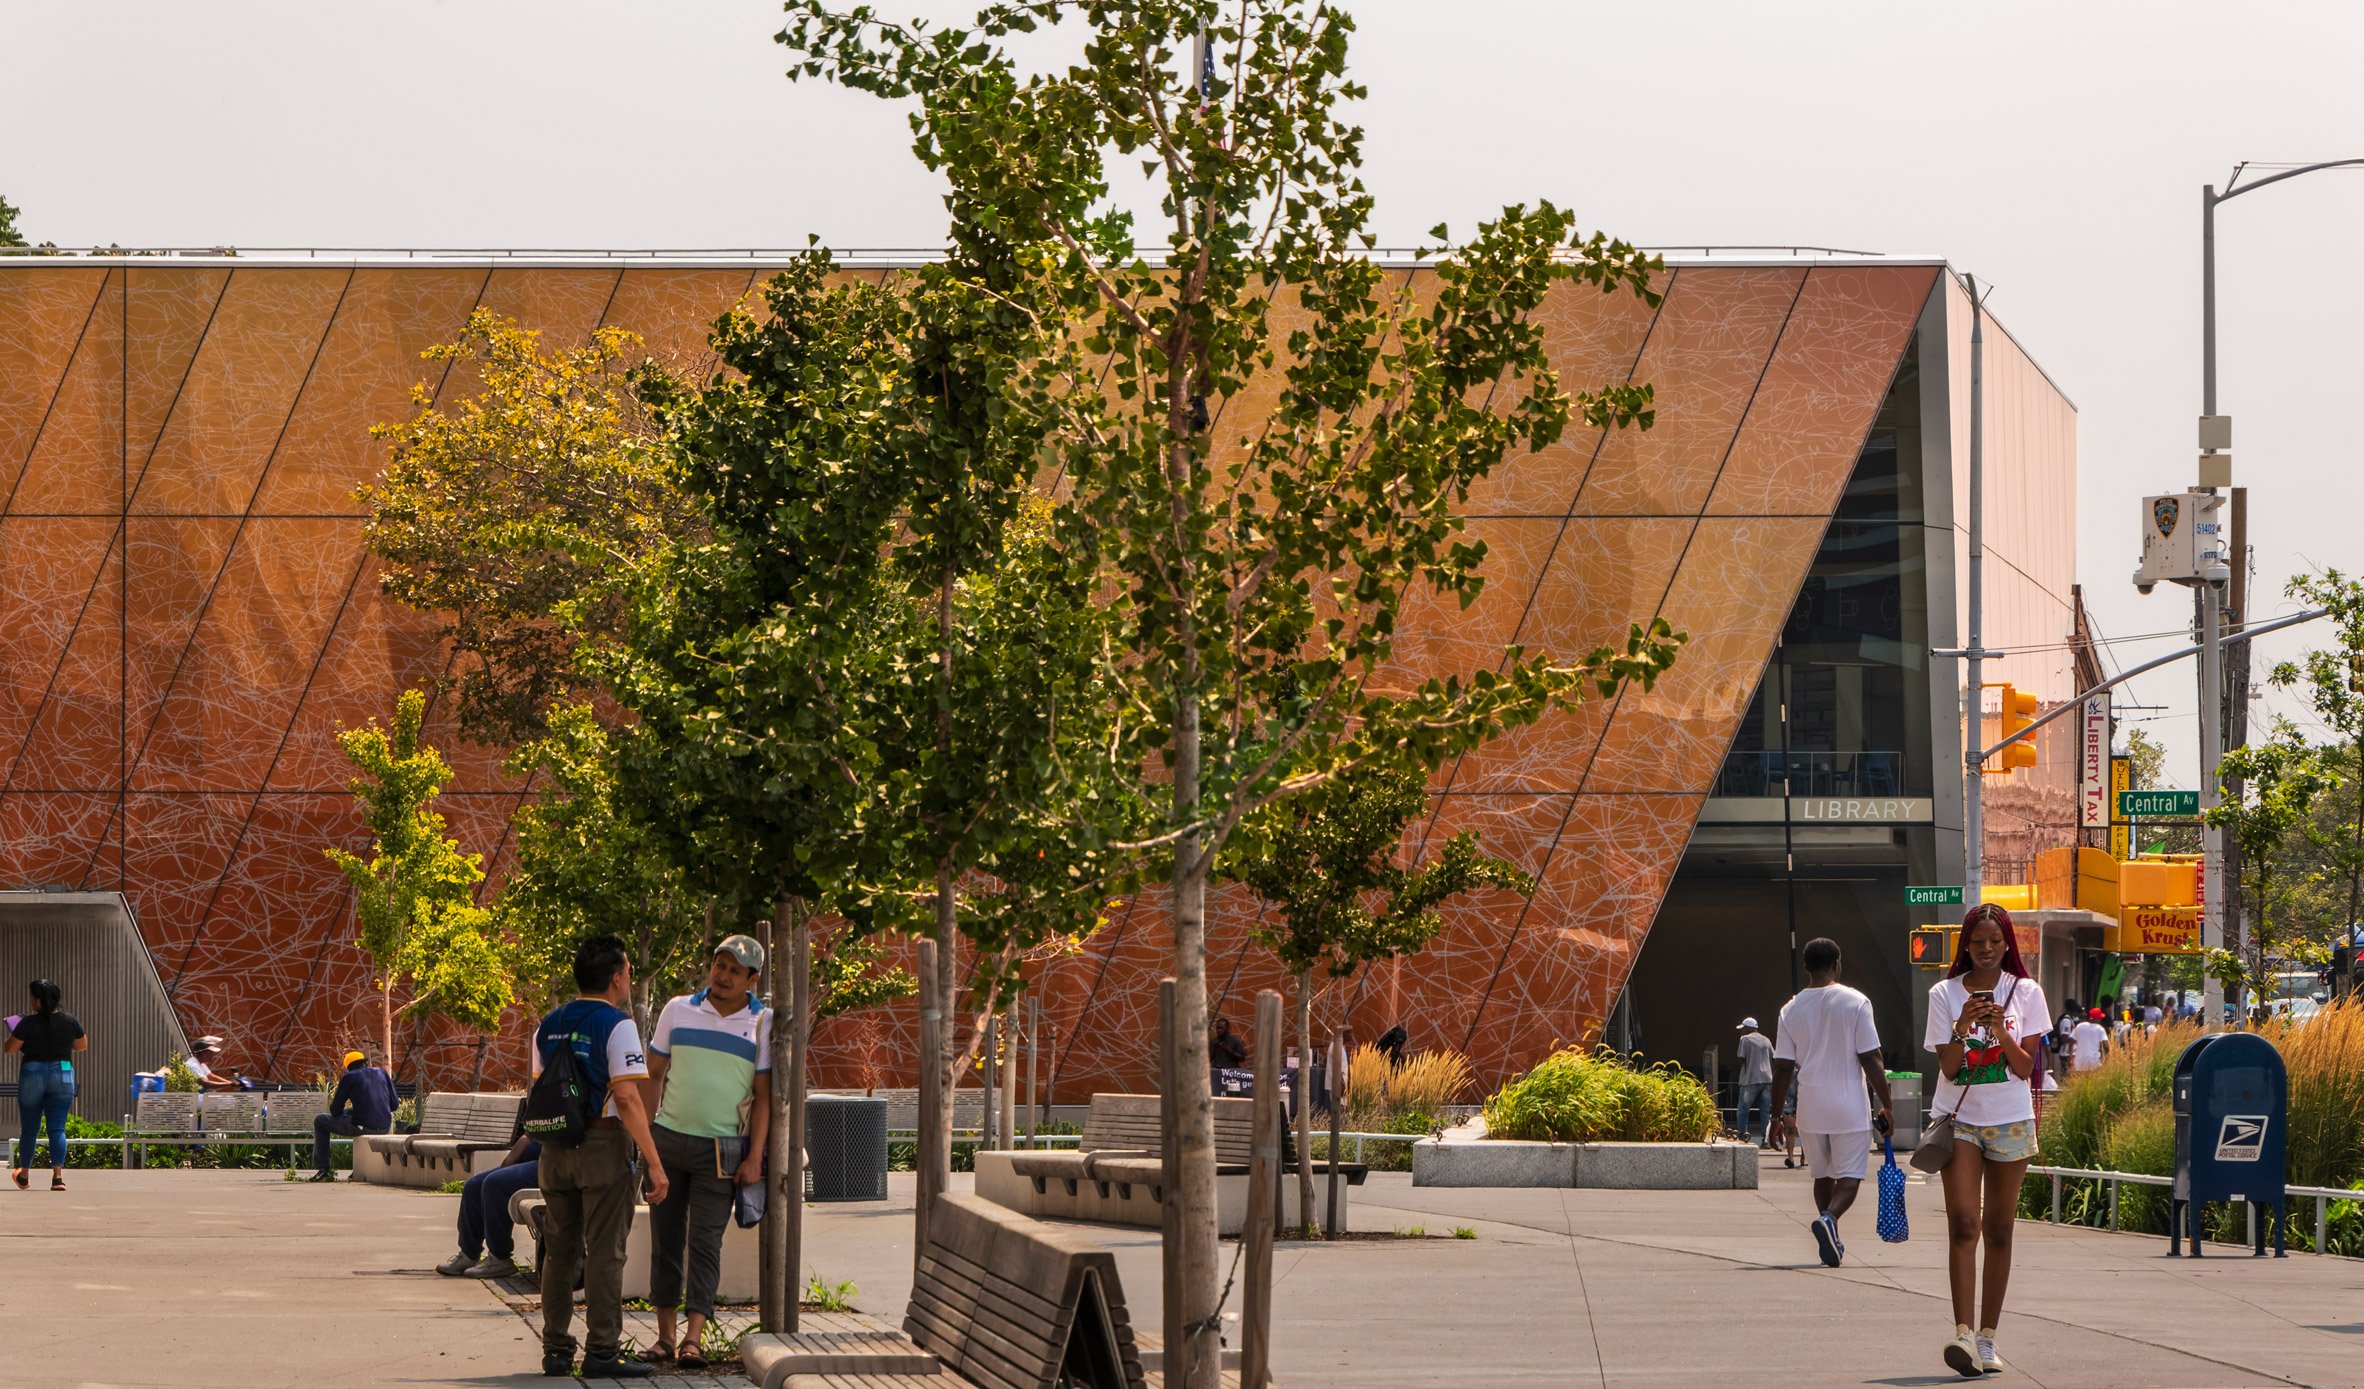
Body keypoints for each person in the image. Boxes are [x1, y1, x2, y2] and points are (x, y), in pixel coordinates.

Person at [532, 935, 666, 1379]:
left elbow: (540, 1087)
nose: (629, 977)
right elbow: (627, 1099)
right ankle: (603, 1351)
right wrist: (654, 1162)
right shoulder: (617, 1023)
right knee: (607, 1253)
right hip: (602, 1147)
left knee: (559, 1251)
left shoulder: (547, 1024)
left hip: (555, 1151)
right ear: (615, 977)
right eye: (627, 970)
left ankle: (555, 1349)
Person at [1926, 902, 2050, 1378]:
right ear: (1965, 944)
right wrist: (1961, 1026)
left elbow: (2024, 1068)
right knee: (1963, 1224)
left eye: (1995, 942)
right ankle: (1961, 1334)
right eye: (1977, 942)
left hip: (2011, 1120)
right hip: (1958, 1121)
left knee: (1999, 1230)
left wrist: (1998, 1027)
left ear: (2007, 944)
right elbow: (1950, 1068)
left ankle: (1987, 1337)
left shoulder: (2026, 991)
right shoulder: (1943, 992)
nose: (1986, 950)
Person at [642, 935, 774, 1371]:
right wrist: (645, 1139)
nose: (723, 975)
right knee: (665, 1241)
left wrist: (755, 1156)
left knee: (705, 1242)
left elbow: (763, 1096)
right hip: (668, 1141)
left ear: (752, 978)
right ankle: (664, 1337)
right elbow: (654, 1073)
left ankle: (693, 1339)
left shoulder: (762, 1023)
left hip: (722, 1150)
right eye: (720, 965)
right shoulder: (677, 1008)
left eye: (735, 970)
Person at [1768, 938, 1892, 1269]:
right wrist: (1887, 1103)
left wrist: (1775, 1116)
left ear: (1806, 967)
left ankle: (1830, 1231)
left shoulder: (1790, 1009)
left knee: (1821, 1176)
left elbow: (1781, 1067)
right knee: (1850, 1177)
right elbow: (1871, 1057)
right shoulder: (1856, 1002)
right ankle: (1829, 1218)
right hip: (1849, 1105)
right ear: (1837, 964)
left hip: (1811, 1105)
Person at [7, 979, 86, 1191]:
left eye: (33, 997)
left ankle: (24, 1175)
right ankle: (57, 1178)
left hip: (33, 1071)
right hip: (63, 1071)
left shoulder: (27, 1023)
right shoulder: (70, 1021)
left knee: (30, 1129)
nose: (31, 1001)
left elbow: (9, 1049)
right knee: (57, 1128)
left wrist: (17, 1030)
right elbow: (82, 1045)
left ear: (39, 1000)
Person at [437, 1133, 542, 1279]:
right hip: (533, 1155)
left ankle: (499, 1258)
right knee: (473, 1185)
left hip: (552, 1162)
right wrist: (524, 1142)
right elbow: (535, 1127)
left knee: (495, 1185)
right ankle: (468, 1254)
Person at [312, 1049, 397, 1181]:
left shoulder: (349, 1077)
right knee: (349, 1112)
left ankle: (324, 1169)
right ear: (364, 1062)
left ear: (349, 1067)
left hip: (364, 1126)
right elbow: (394, 1105)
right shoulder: (382, 1072)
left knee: (320, 1120)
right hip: (385, 1125)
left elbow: (335, 1110)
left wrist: (345, 1111)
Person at [1733, 1017, 1774, 1146]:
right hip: (1767, 1080)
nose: (1741, 1032)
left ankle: (1742, 1136)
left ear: (1747, 1029)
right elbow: (1774, 1057)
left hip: (1750, 1079)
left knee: (1743, 1109)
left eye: (1742, 1029)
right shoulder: (1766, 1040)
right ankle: (1765, 1140)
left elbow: (1740, 1059)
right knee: (1765, 1111)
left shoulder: (1745, 1039)